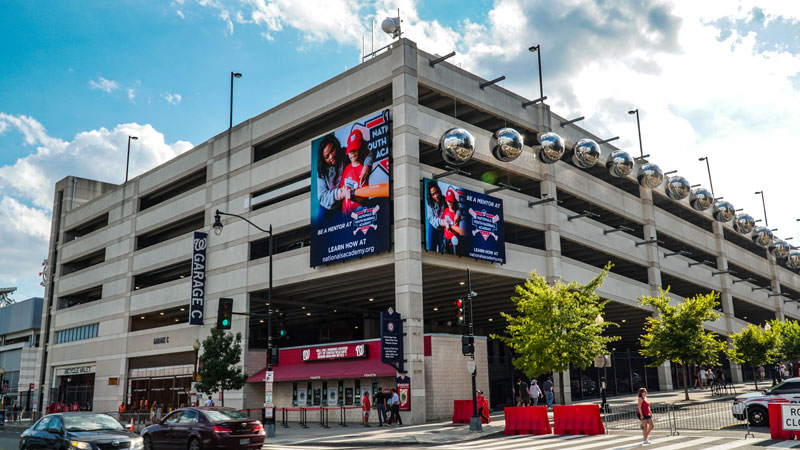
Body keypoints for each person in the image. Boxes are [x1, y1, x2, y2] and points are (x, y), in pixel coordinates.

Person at [315, 132, 373, 222]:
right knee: (321, 230)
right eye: (327, 156)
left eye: (332, 151)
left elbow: (367, 153)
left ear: (336, 146)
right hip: (327, 205)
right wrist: (339, 193)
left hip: (342, 204)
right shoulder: (321, 170)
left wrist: (367, 165)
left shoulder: (345, 154)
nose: (331, 156)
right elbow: (322, 197)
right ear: (323, 159)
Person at [442, 189, 465, 255]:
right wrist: (446, 224)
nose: (449, 203)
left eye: (451, 201)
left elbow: (458, 230)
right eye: (448, 201)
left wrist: (451, 228)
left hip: (454, 237)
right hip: (446, 237)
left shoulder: (456, 213)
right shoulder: (446, 210)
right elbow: (443, 221)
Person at [425, 181, 447, 252]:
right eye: (433, 194)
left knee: (443, 249)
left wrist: (458, 213)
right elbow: (431, 218)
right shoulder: (429, 203)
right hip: (433, 226)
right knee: (431, 249)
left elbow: (456, 206)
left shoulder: (444, 199)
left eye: (436, 193)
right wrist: (441, 222)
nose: (436, 196)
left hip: (442, 229)